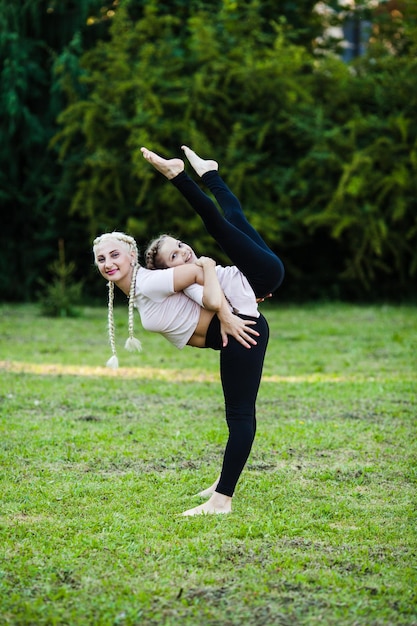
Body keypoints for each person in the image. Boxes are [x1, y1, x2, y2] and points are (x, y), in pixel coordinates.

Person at [93, 146, 284, 516]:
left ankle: (221, 501)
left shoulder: (149, 283)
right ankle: (211, 173)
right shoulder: (141, 289)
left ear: (131, 256)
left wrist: (227, 314)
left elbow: (201, 271)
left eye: (115, 255)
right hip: (246, 309)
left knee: (240, 415)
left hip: (242, 322)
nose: (108, 263)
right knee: (233, 217)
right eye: (101, 259)